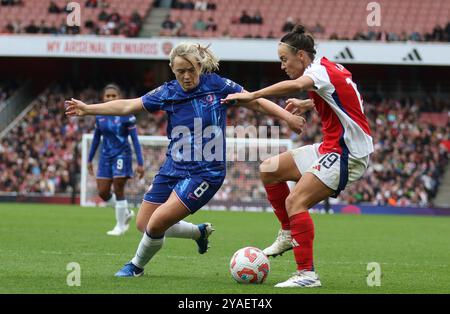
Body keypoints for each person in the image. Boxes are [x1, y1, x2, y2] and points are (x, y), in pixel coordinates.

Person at [65, 42, 305, 277]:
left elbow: (254, 101)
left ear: (200, 67)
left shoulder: (217, 85)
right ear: (172, 69)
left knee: (157, 222)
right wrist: (88, 109)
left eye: (191, 70)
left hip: (206, 173)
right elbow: (129, 105)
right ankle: (198, 233)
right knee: (144, 223)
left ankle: (135, 266)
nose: (187, 76)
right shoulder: (168, 92)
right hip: (173, 168)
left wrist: (287, 117)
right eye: (181, 71)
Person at [222, 25, 374, 288]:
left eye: (284, 59)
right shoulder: (329, 69)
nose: (282, 65)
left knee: (296, 201)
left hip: (347, 153)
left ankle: (307, 275)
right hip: (332, 146)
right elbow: (345, 97)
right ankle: (288, 232)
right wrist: (308, 103)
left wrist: (253, 95)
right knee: (270, 168)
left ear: (301, 56)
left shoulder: (317, 73)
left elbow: (294, 84)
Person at [87, 83, 145, 236]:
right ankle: (125, 212)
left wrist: (140, 163)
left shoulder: (127, 116)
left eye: (114, 96)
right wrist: (89, 159)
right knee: (103, 192)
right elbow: (95, 139)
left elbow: (135, 140)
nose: (111, 98)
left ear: (119, 97)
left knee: (118, 188)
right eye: (108, 96)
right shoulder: (100, 117)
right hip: (105, 156)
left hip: (122, 155)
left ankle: (120, 226)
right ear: (103, 98)